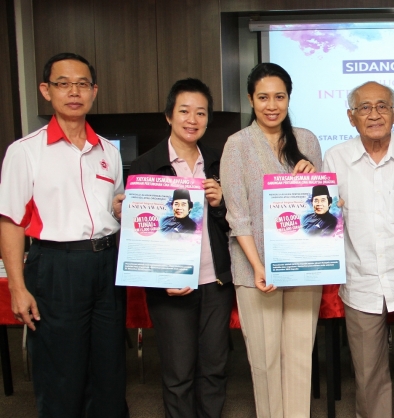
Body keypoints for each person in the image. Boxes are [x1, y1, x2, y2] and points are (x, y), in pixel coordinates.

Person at [0, 52, 128, 417]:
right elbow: (9, 220)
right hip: (57, 266)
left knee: (108, 367)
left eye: (83, 84)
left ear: (94, 91)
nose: (74, 92)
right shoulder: (25, 152)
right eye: (63, 84)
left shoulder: (108, 152)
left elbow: (113, 208)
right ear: (46, 90)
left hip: (106, 264)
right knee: (62, 370)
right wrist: (16, 286)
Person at [324, 81, 394, 418]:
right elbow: (322, 216)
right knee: (367, 369)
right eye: (364, 108)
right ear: (351, 117)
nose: (374, 114)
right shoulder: (335, 157)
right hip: (361, 280)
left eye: (382, 106)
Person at [128, 78, 234, 418]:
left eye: (200, 113)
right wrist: (159, 279)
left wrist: (220, 205)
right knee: (178, 374)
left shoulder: (219, 163)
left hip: (215, 283)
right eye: (184, 111)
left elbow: (235, 227)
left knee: (215, 369)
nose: (192, 119)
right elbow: (139, 238)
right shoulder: (146, 165)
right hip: (170, 286)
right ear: (168, 115)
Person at [220, 62, 321, 417]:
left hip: (303, 267)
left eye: (279, 96)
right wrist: (259, 266)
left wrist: (315, 178)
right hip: (255, 269)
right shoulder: (237, 145)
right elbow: (238, 215)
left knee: (298, 358)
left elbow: (321, 208)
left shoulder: (307, 140)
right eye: (263, 97)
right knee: (264, 360)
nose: (272, 105)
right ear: (251, 99)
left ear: (289, 99)